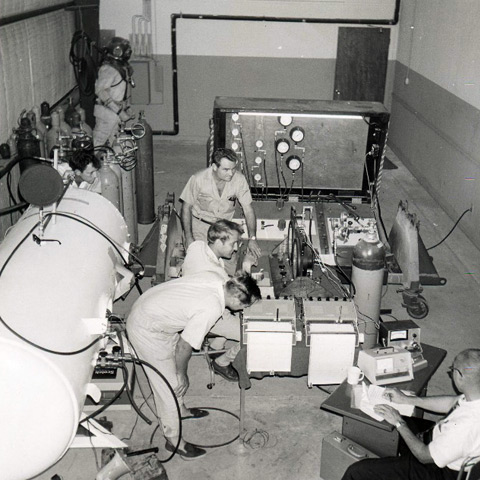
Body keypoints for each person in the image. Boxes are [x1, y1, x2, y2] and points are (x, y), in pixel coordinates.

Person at [126, 272, 261, 459]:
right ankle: (173, 440)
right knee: (170, 385)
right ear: (237, 299)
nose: (242, 310)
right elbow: (184, 346)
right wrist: (183, 374)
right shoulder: (211, 307)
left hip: (154, 312)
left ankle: (180, 410)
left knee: (174, 376)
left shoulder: (218, 281)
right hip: (147, 329)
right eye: (244, 306)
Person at [342, 348, 480, 480]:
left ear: (459, 376)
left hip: (434, 469)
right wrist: (406, 400)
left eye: (452, 369)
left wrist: (399, 423)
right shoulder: (474, 396)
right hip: (438, 441)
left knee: (356, 472)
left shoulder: (465, 427)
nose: (451, 372)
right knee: (400, 421)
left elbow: (423, 456)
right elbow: (452, 402)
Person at [179, 147, 261, 273]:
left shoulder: (239, 180)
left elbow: (248, 210)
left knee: (229, 268)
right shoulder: (198, 179)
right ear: (214, 167)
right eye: (226, 169)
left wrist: (252, 238)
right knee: (198, 264)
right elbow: (186, 208)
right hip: (200, 225)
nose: (231, 173)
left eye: (233, 169)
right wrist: (189, 237)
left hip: (224, 227)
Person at [182, 219, 245, 382]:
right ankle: (222, 363)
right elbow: (238, 299)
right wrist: (247, 266)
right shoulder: (216, 275)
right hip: (208, 314)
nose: (235, 248)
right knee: (252, 333)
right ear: (219, 241)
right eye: (233, 243)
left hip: (191, 302)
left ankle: (216, 346)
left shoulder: (197, 247)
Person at [93, 37, 135, 147]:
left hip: (114, 114)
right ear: (118, 51)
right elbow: (101, 92)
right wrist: (119, 112)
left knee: (116, 143)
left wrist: (126, 108)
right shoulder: (109, 69)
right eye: (125, 50)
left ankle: (113, 163)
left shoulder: (120, 68)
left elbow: (120, 93)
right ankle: (91, 163)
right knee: (98, 143)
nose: (128, 53)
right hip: (107, 114)